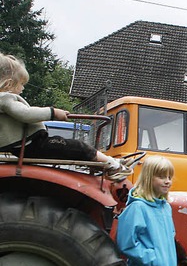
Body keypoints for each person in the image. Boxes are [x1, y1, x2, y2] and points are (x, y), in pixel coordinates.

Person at [0, 52, 131, 180]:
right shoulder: (6, 98)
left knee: (72, 148)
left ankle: (109, 164)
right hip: (32, 145)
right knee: (78, 147)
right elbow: (25, 114)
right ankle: (113, 166)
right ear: (9, 83)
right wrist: (53, 112)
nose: (22, 89)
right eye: (21, 84)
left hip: (29, 145)